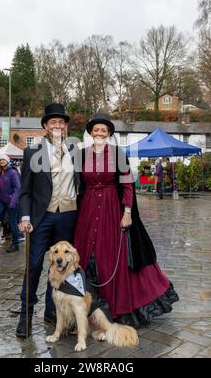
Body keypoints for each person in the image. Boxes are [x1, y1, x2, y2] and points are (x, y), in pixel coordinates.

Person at [73, 114, 179, 328]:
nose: (100, 133)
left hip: (112, 207)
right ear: (91, 133)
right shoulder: (81, 155)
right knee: (85, 255)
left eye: (104, 130)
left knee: (111, 256)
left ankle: (115, 307)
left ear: (109, 134)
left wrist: (127, 212)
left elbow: (128, 184)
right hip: (88, 207)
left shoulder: (117, 154)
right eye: (96, 130)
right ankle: (86, 307)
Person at [16, 103, 81, 338]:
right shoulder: (32, 153)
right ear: (45, 126)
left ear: (65, 127)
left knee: (61, 266)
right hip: (41, 218)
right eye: (53, 122)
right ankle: (26, 314)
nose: (57, 125)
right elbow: (24, 191)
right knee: (34, 265)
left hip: (68, 216)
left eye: (61, 122)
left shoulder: (76, 151)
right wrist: (24, 217)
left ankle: (53, 312)